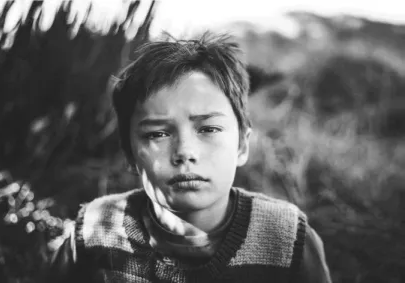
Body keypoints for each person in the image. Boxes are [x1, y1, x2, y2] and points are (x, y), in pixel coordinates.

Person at [49, 32, 332, 283]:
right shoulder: (93, 232)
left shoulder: (287, 240)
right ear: (130, 154)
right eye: (157, 134)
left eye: (208, 129)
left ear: (242, 146)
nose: (185, 151)